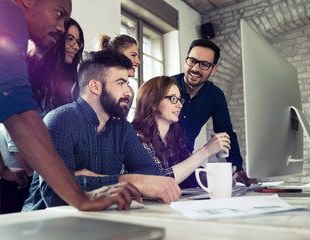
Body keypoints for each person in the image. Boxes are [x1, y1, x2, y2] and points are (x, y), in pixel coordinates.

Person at [0, 0, 141, 211]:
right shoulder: (5, 11)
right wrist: (80, 197)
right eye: (59, 13)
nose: (61, 27)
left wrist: (2, 169)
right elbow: (18, 115)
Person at [23, 51, 181, 210]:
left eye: (127, 83)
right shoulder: (60, 120)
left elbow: (153, 176)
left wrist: (98, 179)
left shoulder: (123, 128)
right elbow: (54, 195)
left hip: (97, 219)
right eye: (120, 83)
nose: (128, 92)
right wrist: (126, 182)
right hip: (45, 223)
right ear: (95, 86)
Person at [0, 18, 84, 216]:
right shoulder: (27, 70)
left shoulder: (65, 87)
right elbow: (14, 130)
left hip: (28, 171)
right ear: (56, 39)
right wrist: (38, 176)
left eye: (79, 41)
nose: (76, 45)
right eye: (70, 38)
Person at [172, 39, 257, 186]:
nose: (196, 68)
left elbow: (226, 134)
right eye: (192, 61)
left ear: (213, 69)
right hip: (158, 161)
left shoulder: (215, 96)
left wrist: (237, 169)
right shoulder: (166, 86)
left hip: (187, 162)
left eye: (204, 64)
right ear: (186, 61)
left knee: (216, 182)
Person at [133, 76, 236, 188]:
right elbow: (159, 181)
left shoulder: (175, 136)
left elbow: (190, 173)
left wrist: (217, 178)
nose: (180, 105)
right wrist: (206, 151)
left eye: (179, 99)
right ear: (152, 102)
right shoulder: (137, 137)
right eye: (173, 99)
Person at [95, 34, 140, 110]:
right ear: (117, 55)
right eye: (133, 55)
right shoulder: (97, 84)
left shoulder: (129, 91)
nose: (138, 61)